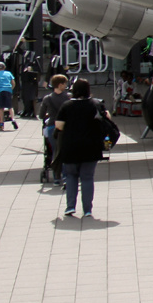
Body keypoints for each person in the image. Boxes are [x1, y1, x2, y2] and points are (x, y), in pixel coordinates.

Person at [55, 78, 108, 217]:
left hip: (70, 147)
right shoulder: (95, 104)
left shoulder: (66, 105)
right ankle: (87, 209)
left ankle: (70, 206)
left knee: (71, 176)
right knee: (87, 177)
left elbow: (59, 126)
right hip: (91, 147)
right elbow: (107, 119)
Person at [39, 74, 72, 186]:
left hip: (52, 127)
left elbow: (41, 115)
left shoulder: (47, 98)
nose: (66, 86)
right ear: (60, 84)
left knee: (55, 152)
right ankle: (65, 176)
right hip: (65, 127)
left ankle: (56, 178)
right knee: (65, 151)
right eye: (65, 84)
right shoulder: (68, 97)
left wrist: (49, 115)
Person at [0, 61, 19, 131]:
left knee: (1, 108)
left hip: (1, 91)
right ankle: (13, 119)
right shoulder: (8, 73)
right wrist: (11, 88)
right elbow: (13, 83)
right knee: (10, 107)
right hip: (8, 90)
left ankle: (1, 123)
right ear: (4, 67)